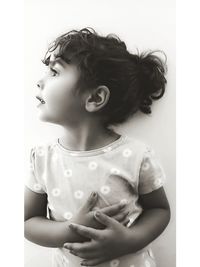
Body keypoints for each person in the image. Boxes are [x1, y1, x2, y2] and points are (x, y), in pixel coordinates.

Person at [24, 27, 171, 267]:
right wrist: (69, 231)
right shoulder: (42, 158)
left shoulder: (135, 155)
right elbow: (28, 221)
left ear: (94, 98)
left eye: (54, 72)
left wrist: (130, 240)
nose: (40, 81)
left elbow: (160, 210)